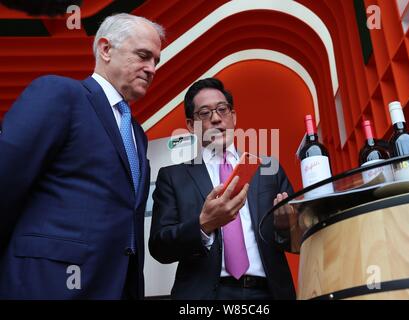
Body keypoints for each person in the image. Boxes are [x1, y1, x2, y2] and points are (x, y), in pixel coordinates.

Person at [0, 13, 164, 299]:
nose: (151, 68)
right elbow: (5, 181)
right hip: (48, 284)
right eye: (143, 55)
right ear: (105, 49)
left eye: (156, 61)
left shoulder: (137, 134)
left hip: (118, 286)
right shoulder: (59, 93)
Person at [149, 78, 296, 299]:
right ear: (191, 125)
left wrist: (286, 227)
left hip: (268, 293)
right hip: (205, 296)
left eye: (222, 109)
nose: (216, 119)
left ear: (233, 116)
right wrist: (203, 225)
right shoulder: (173, 177)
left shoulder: (268, 169)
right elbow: (160, 246)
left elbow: (301, 238)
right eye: (205, 113)